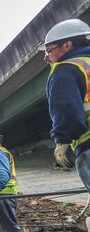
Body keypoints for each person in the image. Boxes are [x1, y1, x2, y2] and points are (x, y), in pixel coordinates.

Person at [41, 18, 90, 193]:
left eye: (49, 51)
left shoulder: (66, 69)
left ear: (67, 46)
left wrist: (62, 140)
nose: (46, 57)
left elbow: (66, 109)